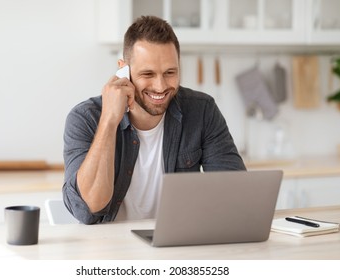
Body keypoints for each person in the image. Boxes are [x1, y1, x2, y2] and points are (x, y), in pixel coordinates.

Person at [63, 15, 246, 225]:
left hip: (177, 246)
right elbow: (88, 209)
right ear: (124, 70)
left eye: (170, 72)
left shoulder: (202, 110)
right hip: (111, 250)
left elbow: (235, 195)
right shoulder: (85, 118)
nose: (160, 86)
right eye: (147, 74)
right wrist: (109, 120)